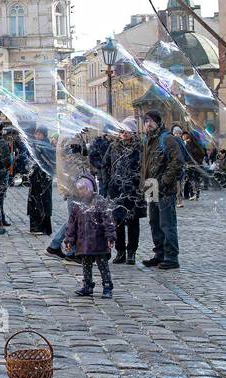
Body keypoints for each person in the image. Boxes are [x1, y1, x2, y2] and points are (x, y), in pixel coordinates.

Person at [140, 111, 182, 269]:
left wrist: (164, 182)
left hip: (164, 189)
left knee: (167, 223)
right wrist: (142, 185)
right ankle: (159, 254)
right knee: (154, 222)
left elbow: (177, 163)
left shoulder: (167, 138)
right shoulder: (147, 140)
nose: (148, 124)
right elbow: (144, 166)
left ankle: (171, 257)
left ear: (158, 122)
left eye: (150, 121)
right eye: (145, 122)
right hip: (151, 186)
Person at [67, 176, 115, 299]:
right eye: (80, 189)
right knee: (86, 264)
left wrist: (110, 237)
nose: (82, 192)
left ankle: (107, 285)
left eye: (85, 189)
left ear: (91, 188)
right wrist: (69, 239)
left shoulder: (100, 202)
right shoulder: (77, 205)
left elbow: (108, 222)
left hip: (99, 241)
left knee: (102, 265)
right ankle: (87, 285)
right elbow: (72, 224)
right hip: (83, 242)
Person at [106, 118, 144, 264]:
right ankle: (120, 251)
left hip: (134, 190)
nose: (124, 134)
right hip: (116, 190)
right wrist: (108, 180)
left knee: (133, 222)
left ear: (133, 132)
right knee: (118, 223)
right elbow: (104, 163)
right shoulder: (114, 146)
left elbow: (144, 166)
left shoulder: (139, 147)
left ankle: (131, 252)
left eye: (127, 131)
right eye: (121, 131)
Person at [26, 127, 56, 235]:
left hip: (44, 178)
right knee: (34, 201)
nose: (37, 136)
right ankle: (35, 227)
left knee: (44, 201)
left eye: (40, 134)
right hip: (35, 177)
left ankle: (44, 227)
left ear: (44, 135)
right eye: (36, 134)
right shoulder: (34, 145)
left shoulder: (47, 146)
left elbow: (51, 162)